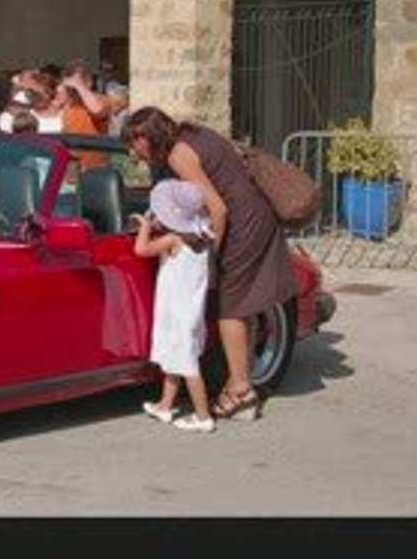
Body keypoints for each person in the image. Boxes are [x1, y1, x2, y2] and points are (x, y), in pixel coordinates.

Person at [122, 106, 299, 420]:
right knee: (246, 302)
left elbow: (217, 208)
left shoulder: (179, 153)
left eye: (134, 144)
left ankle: (242, 391)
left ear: (147, 137)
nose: (133, 152)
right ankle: (240, 379)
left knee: (230, 306)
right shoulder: (195, 134)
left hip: (241, 223)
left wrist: (209, 254)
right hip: (255, 215)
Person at [134, 179, 216, 433]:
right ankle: (165, 405)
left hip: (178, 313)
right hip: (189, 311)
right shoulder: (202, 239)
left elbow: (141, 249)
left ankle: (203, 417)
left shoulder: (172, 240)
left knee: (187, 364)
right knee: (175, 359)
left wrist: (146, 227)